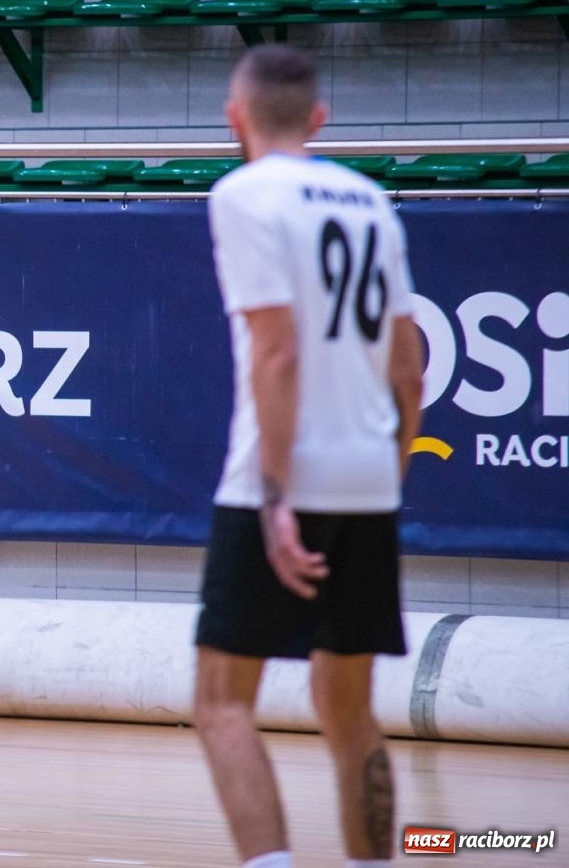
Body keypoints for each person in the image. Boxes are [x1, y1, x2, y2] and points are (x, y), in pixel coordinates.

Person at [193, 45, 425, 868]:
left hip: (280, 478)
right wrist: (388, 473)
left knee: (222, 702)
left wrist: (277, 495)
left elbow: (278, 350)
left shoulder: (243, 194)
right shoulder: (372, 201)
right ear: (319, 119)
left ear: (235, 118)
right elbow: (408, 365)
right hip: (368, 479)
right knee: (349, 706)